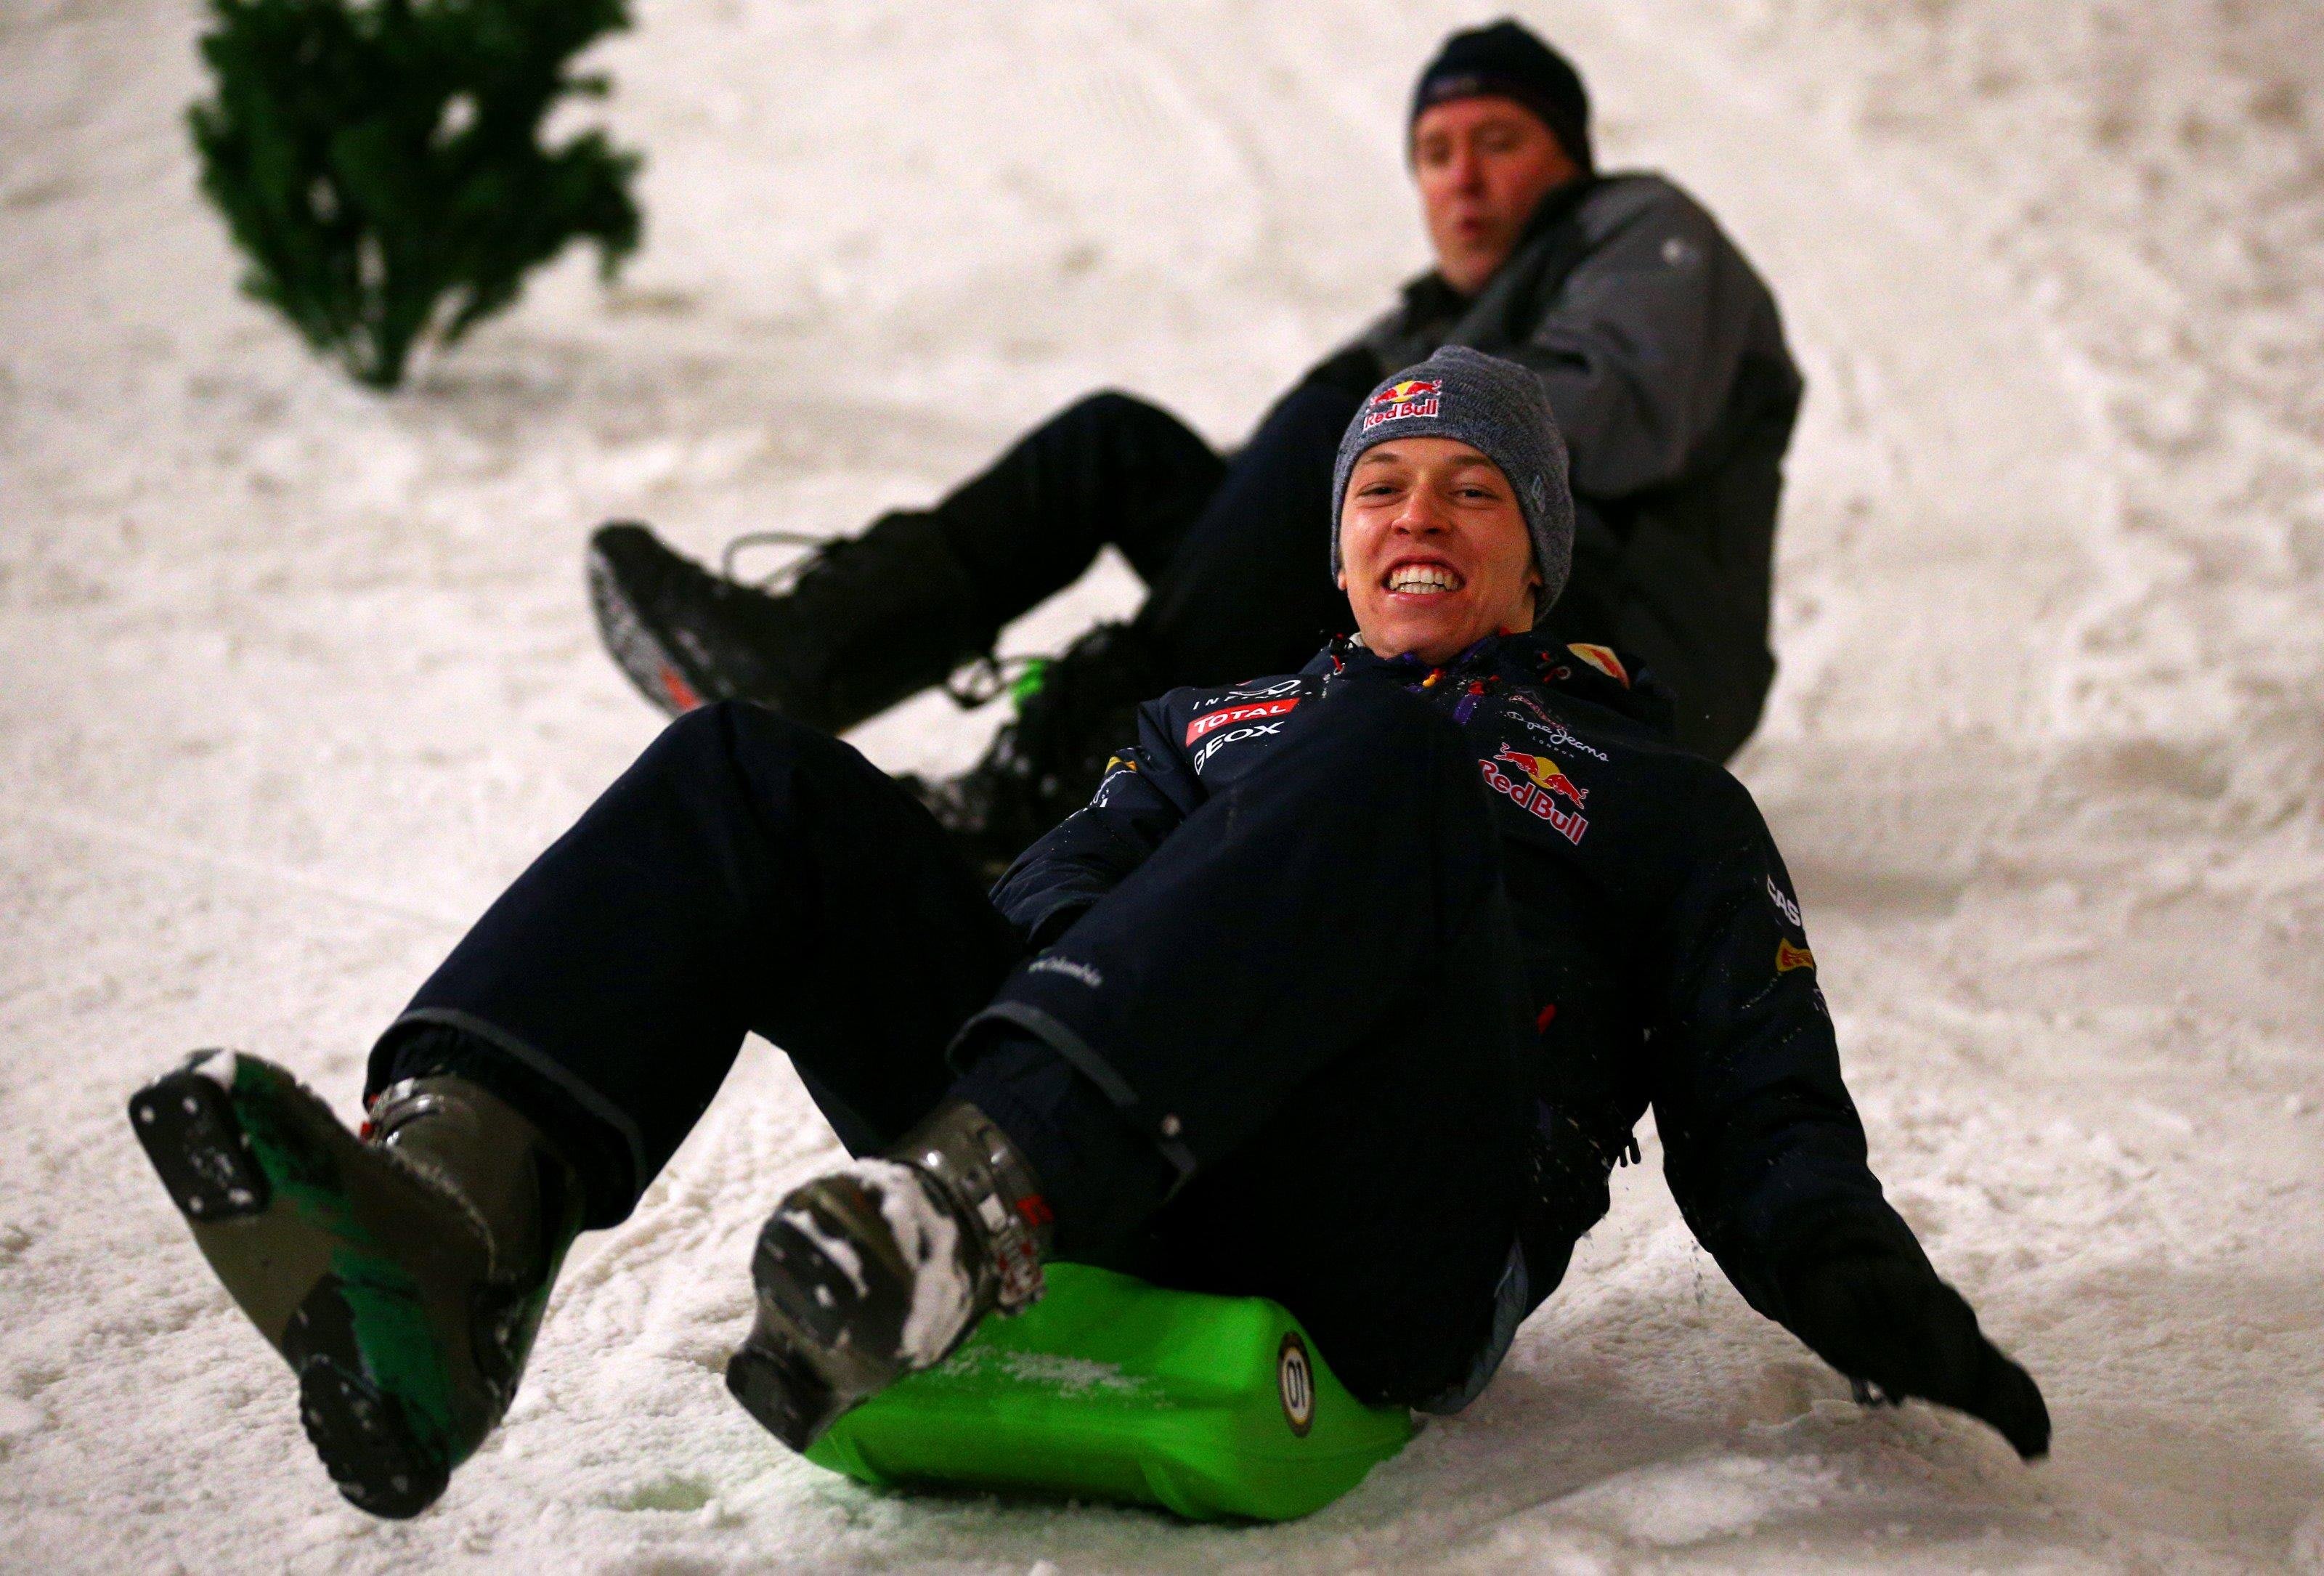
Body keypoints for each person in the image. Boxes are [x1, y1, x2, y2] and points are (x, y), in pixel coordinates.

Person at [131, 348, 2042, 1522]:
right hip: (1109, 1129)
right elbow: (1024, 923)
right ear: (1343, 544)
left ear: (1542, 553)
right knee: (749, 776)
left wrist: (1852, 1274)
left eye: (1477, 489)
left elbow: (1759, 1100)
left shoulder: (1651, 796)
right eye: (1384, 485)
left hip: (1392, 1223)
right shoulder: (1217, 727)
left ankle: (974, 1207)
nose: (1421, 513)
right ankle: (457, 1240)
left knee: (1376, 756)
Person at [587, 19, 1803, 873]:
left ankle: (1068, 778)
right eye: (1436, 156)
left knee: (1339, 430)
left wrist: (1369, 422)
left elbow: (1622, 412)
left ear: (1570, 156)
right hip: (1438, 620)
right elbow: (1291, 499)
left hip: (1618, 655)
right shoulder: (1432, 314)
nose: (1465, 181)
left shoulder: (1640, 229)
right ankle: (801, 654)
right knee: (1119, 445)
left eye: (1499, 143)